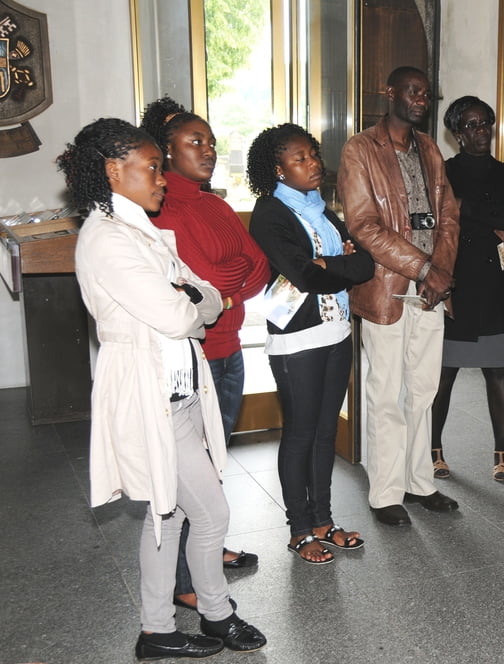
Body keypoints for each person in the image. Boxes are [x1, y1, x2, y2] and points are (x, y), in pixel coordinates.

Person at [62, 117, 266, 659]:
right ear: (114, 170)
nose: (161, 179)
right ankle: (217, 614)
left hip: (179, 385)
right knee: (212, 514)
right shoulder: (107, 238)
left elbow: (200, 290)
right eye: (152, 168)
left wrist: (192, 298)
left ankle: (156, 630)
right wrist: (193, 301)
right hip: (151, 392)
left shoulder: (140, 226)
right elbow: (179, 314)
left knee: (167, 514)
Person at [139, 96, 268, 609]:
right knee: (191, 470)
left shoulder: (214, 204)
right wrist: (229, 281)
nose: (209, 150)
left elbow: (258, 266)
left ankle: (206, 550)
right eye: (196, 142)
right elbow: (201, 283)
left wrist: (225, 289)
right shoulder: (162, 209)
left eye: (212, 142)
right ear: (167, 151)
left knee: (214, 462)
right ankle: (184, 581)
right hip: (196, 356)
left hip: (229, 347)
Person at [246, 123, 374, 563]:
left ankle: (324, 521)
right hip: (297, 338)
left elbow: (366, 266)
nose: (313, 163)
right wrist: (336, 265)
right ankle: (299, 530)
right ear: (278, 170)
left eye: (313, 154)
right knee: (300, 433)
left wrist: (328, 264)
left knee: (325, 433)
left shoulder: (322, 209)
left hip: (337, 330)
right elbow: (303, 275)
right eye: (299, 158)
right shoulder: (270, 214)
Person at [339, 66, 460, 526]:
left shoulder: (429, 148)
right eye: (413, 92)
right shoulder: (360, 149)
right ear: (389, 93)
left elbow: (449, 217)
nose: (421, 100)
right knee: (386, 392)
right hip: (387, 288)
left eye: (426, 94)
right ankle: (385, 493)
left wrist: (438, 274)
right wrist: (424, 269)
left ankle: (419, 482)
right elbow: (363, 225)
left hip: (431, 290)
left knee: (424, 390)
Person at [429, 95, 504, 482]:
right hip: (454, 284)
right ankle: (433, 450)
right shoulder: (444, 172)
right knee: (443, 374)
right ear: (457, 133)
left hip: (495, 286)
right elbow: (440, 217)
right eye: (471, 125)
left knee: (498, 371)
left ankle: (502, 454)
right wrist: (490, 220)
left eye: (485, 122)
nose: (481, 130)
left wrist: (466, 208)